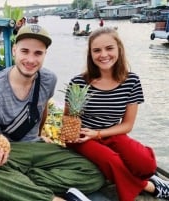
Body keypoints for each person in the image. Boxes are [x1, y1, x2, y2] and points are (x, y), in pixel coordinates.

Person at [0, 24, 105, 201]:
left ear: (44, 55)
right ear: (14, 51)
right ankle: (52, 199)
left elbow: (42, 111)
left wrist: (41, 136)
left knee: (94, 173)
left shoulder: (49, 79)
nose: (30, 59)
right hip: (9, 152)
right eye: (25, 51)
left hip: (37, 147)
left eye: (38, 53)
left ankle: (20, 185)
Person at [64, 27, 169, 201]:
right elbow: (67, 118)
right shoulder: (79, 82)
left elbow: (127, 125)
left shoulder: (131, 81)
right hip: (81, 137)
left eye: (109, 48)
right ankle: (152, 187)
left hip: (112, 133)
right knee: (112, 161)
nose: (103, 54)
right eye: (96, 50)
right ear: (90, 54)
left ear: (119, 48)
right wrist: (79, 134)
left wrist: (98, 134)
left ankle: (148, 177)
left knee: (146, 164)